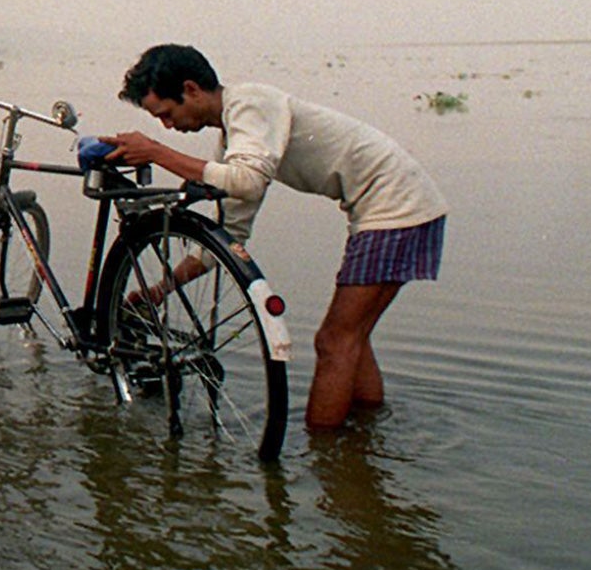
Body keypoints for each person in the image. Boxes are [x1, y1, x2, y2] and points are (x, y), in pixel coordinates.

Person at [104, 43, 447, 432]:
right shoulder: (237, 136)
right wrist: (162, 288)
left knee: (334, 342)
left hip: (396, 209)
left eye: (167, 114)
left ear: (192, 89)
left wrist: (156, 153)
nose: (168, 126)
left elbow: (246, 183)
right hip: (394, 207)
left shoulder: (250, 104)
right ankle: (364, 440)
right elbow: (231, 235)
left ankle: (324, 456)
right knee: (353, 338)